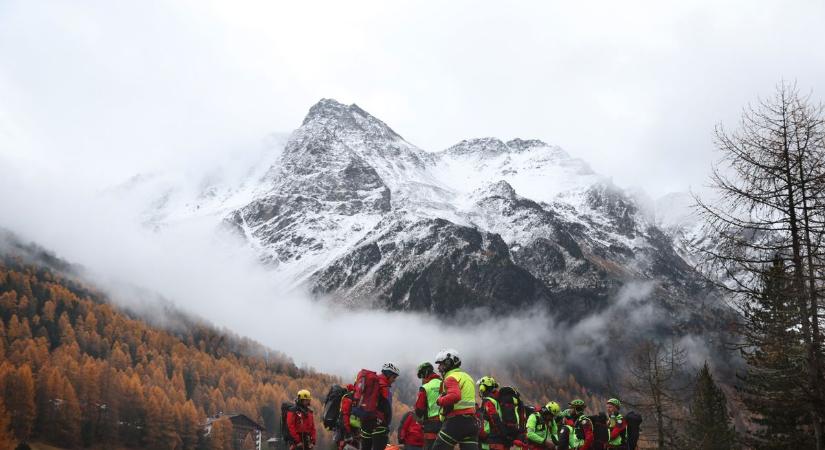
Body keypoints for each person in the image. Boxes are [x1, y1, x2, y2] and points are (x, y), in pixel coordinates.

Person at [432, 349, 478, 450]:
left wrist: (439, 400)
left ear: (448, 363)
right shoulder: (467, 377)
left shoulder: (451, 378)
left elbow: (455, 396)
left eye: (441, 364)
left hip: (456, 422)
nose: (438, 368)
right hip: (471, 422)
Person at [360, 362, 400, 450]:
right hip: (379, 425)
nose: (394, 380)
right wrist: (386, 423)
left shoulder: (371, 384)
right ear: (388, 374)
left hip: (365, 423)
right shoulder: (384, 388)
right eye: (394, 377)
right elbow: (387, 408)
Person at [415, 362, 443, 450]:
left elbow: (419, 410)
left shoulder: (425, 387)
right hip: (446, 423)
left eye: (422, 376)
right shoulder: (444, 383)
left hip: (431, 424)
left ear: (425, 373)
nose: (422, 379)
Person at [476, 376, 506, 450]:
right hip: (495, 439)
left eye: (480, 387)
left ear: (483, 388)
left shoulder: (488, 401)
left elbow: (494, 418)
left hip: (490, 440)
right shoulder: (495, 400)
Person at [338, 384, 361, 450]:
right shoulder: (349, 398)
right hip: (347, 427)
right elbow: (345, 414)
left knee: (347, 444)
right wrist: (348, 429)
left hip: (348, 427)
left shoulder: (348, 397)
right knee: (347, 444)